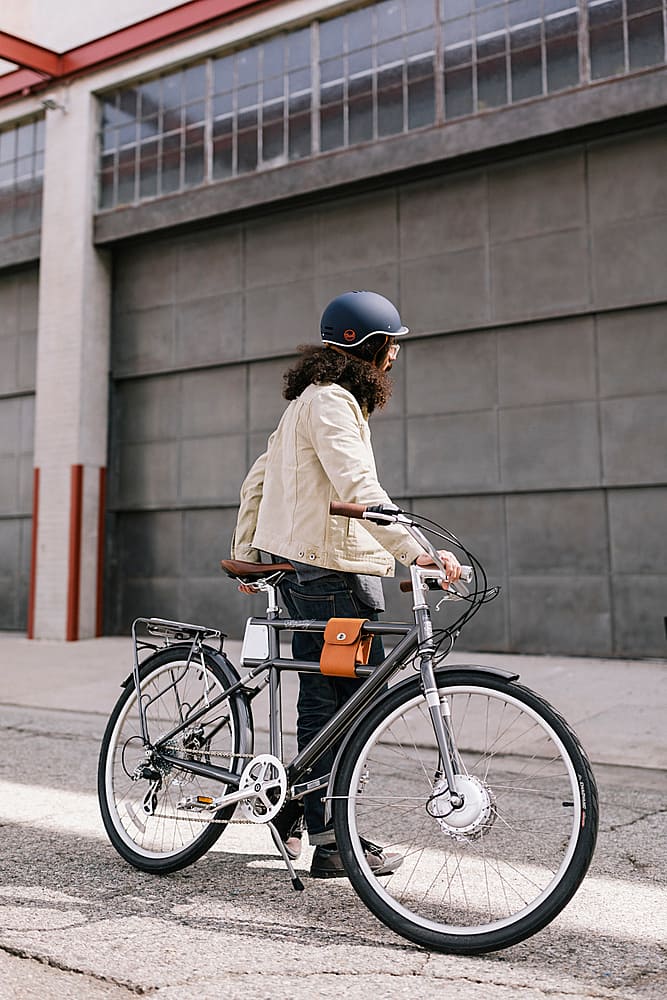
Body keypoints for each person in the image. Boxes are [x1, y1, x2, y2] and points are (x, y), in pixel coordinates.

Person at [231, 290, 462, 878]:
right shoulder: (332, 404)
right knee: (342, 700)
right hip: (332, 570)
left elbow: (258, 477)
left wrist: (247, 554)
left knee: (334, 694)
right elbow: (358, 489)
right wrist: (420, 552)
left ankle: (295, 809)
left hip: (317, 565)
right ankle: (329, 837)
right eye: (392, 348)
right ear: (371, 349)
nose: (395, 360)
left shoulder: (309, 402)